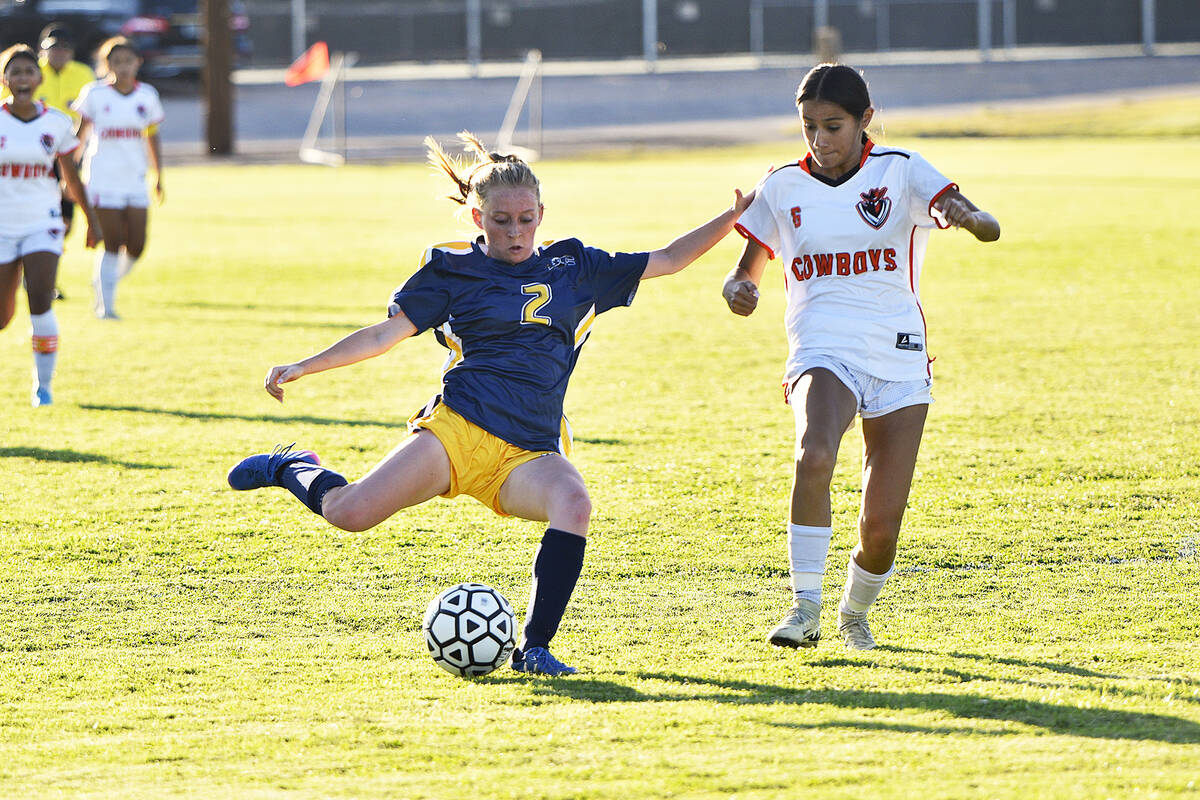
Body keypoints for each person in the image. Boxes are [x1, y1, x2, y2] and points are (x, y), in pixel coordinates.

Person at [227, 132, 754, 676]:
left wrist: (731, 216)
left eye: (526, 219)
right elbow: (383, 336)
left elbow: (667, 259)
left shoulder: (575, 266)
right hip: (459, 430)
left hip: (529, 449)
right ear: (478, 218)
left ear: (541, 213)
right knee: (350, 513)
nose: (516, 232)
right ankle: (293, 467)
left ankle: (535, 648)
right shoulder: (453, 271)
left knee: (574, 504)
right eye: (501, 220)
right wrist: (305, 365)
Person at [723, 64, 1000, 651]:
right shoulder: (782, 185)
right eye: (808, 128)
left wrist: (969, 219)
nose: (819, 141)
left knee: (881, 527)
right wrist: (738, 290)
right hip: (823, 344)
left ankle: (854, 612)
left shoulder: (901, 171)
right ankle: (804, 609)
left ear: (865, 120)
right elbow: (744, 271)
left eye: (833, 126)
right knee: (815, 450)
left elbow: (971, 214)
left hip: (899, 354)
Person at [0, 44, 101, 406]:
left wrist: (91, 221)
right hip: (2, 227)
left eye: (28, 72)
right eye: (15, 72)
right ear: (5, 79)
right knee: (2, 316)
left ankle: (43, 387)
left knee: (41, 298)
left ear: (39, 78)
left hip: (43, 222)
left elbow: (70, 178)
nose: (22, 78)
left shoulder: (55, 122)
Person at [73, 36, 164, 319]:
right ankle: (106, 307)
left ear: (138, 62)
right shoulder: (94, 94)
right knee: (111, 243)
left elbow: (151, 136)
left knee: (137, 245)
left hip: (135, 178)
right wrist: (69, 175)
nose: (123, 67)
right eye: (116, 62)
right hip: (102, 178)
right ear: (106, 65)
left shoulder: (146, 95)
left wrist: (159, 174)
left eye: (128, 61)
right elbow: (81, 135)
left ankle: (103, 280)